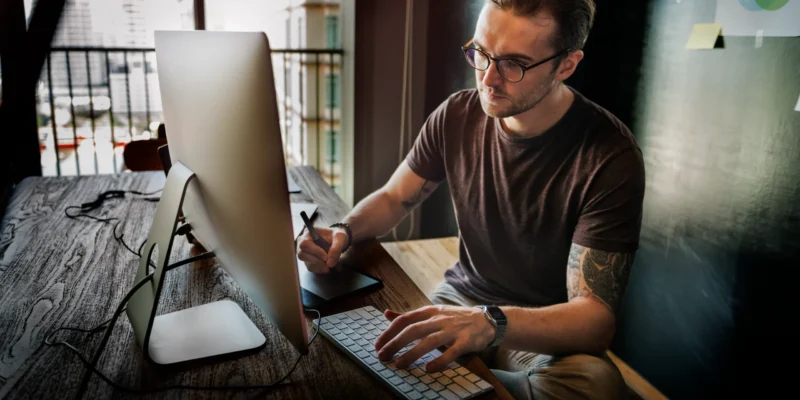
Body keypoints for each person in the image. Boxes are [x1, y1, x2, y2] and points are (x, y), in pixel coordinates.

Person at [297, 0, 645, 398]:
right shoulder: (456, 114)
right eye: (481, 53)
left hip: (541, 330)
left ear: (566, 65)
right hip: (462, 298)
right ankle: (471, 385)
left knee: (597, 385)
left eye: (514, 64)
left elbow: (595, 321)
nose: (488, 78)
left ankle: (463, 384)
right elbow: (395, 197)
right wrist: (343, 232)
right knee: (368, 351)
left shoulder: (610, 156)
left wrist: (490, 323)